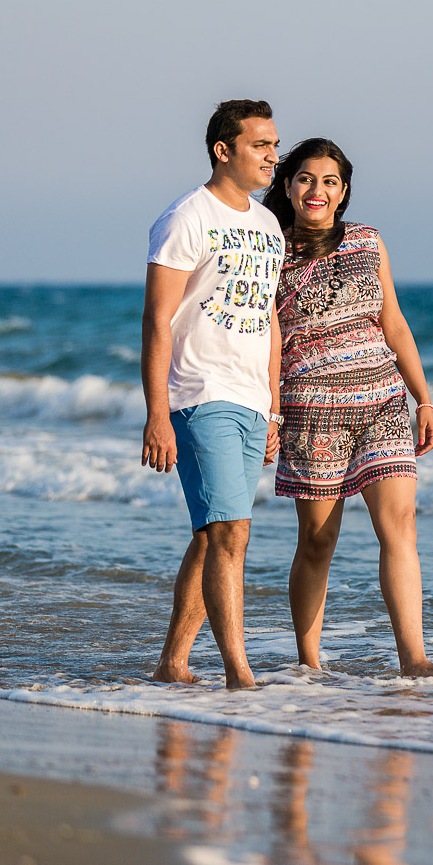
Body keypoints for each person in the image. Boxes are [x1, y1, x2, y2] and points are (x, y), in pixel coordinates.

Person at [263, 138, 433, 679]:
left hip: (382, 401)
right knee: (317, 541)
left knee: (400, 527)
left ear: (344, 191)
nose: (318, 190)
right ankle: (309, 664)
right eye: (307, 178)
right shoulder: (268, 249)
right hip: (310, 409)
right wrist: (269, 412)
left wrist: (422, 398)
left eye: (330, 181)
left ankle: (414, 661)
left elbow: (394, 324)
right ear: (287, 186)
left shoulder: (367, 241)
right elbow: (265, 337)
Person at [141, 100, 285, 690]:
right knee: (231, 533)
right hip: (201, 393)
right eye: (260, 145)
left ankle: (173, 663)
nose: (273, 157)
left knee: (213, 532)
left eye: (275, 145)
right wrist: (156, 413)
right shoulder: (185, 218)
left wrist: (274, 407)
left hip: (252, 399)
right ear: (223, 150)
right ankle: (238, 672)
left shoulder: (268, 224)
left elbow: (270, 319)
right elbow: (156, 320)